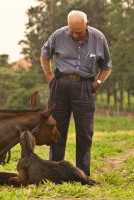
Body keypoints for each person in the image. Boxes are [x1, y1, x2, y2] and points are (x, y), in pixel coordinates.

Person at [40, 10, 112, 176]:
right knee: (57, 129)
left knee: (85, 132)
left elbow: (106, 66)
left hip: (85, 86)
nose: (74, 34)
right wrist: (49, 76)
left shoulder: (98, 38)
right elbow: (45, 55)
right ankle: (56, 171)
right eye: (72, 30)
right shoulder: (58, 35)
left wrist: (97, 83)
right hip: (60, 85)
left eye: (78, 31)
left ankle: (82, 173)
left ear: (87, 24)